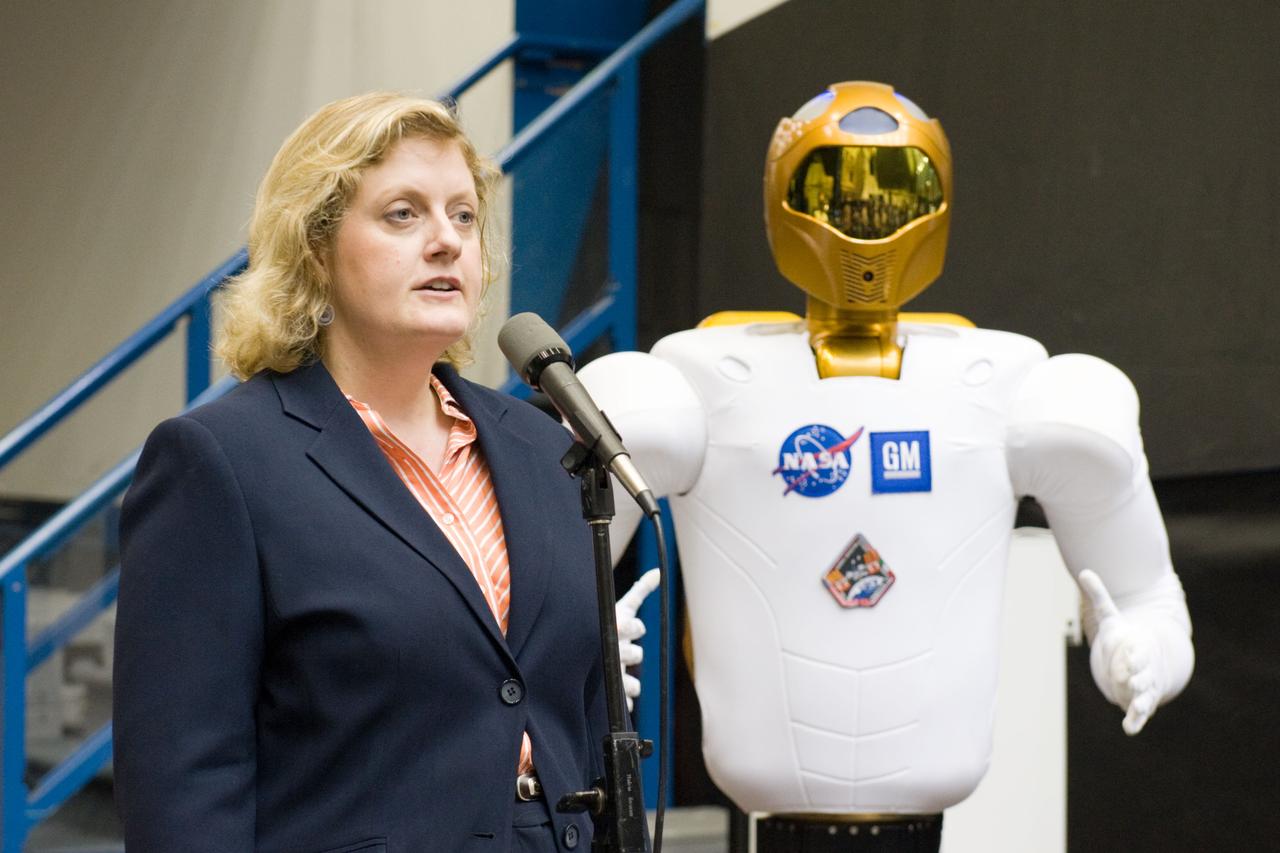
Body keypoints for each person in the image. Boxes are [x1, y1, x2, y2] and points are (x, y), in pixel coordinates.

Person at [575, 81, 1194, 852]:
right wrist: (580, 638)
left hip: (920, 794)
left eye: (892, 190)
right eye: (837, 188)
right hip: (772, 791)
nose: (863, 222)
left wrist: (1139, 654)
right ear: (784, 195)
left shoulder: (1009, 383)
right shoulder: (696, 380)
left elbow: (1148, 600)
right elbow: (536, 591)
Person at [113, 92, 655, 853]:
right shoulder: (222, 463)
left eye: (463, 216)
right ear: (316, 248)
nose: (446, 242)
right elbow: (185, 784)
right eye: (404, 213)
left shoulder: (540, 446)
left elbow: (585, 722)